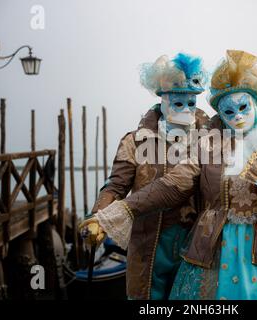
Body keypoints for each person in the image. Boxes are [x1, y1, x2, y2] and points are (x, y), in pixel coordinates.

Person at [87, 50, 257, 300]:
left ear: (256, 102)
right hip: (202, 248)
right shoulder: (206, 143)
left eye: (243, 107)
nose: (237, 116)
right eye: (228, 111)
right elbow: (171, 184)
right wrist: (113, 213)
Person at [80, 52, 210, 300]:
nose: (185, 110)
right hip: (148, 245)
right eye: (177, 103)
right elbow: (116, 186)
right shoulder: (134, 142)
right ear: (162, 101)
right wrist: (98, 217)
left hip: (196, 243)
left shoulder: (209, 141)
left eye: (191, 103)